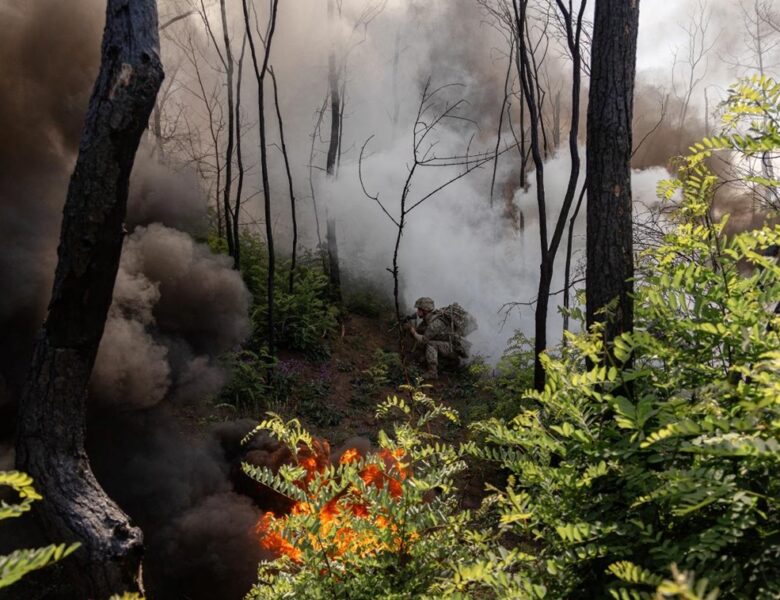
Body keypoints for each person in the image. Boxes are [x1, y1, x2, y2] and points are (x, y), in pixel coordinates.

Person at [405, 297, 466, 379]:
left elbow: (423, 340)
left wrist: (413, 331)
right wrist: (411, 325)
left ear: (425, 310)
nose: (417, 311)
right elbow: (420, 331)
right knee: (425, 340)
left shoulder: (435, 323)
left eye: (419, 309)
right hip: (447, 345)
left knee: (430, 344)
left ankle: (432, 372)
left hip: (454, 348)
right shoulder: (429, 319)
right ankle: (423, 360)